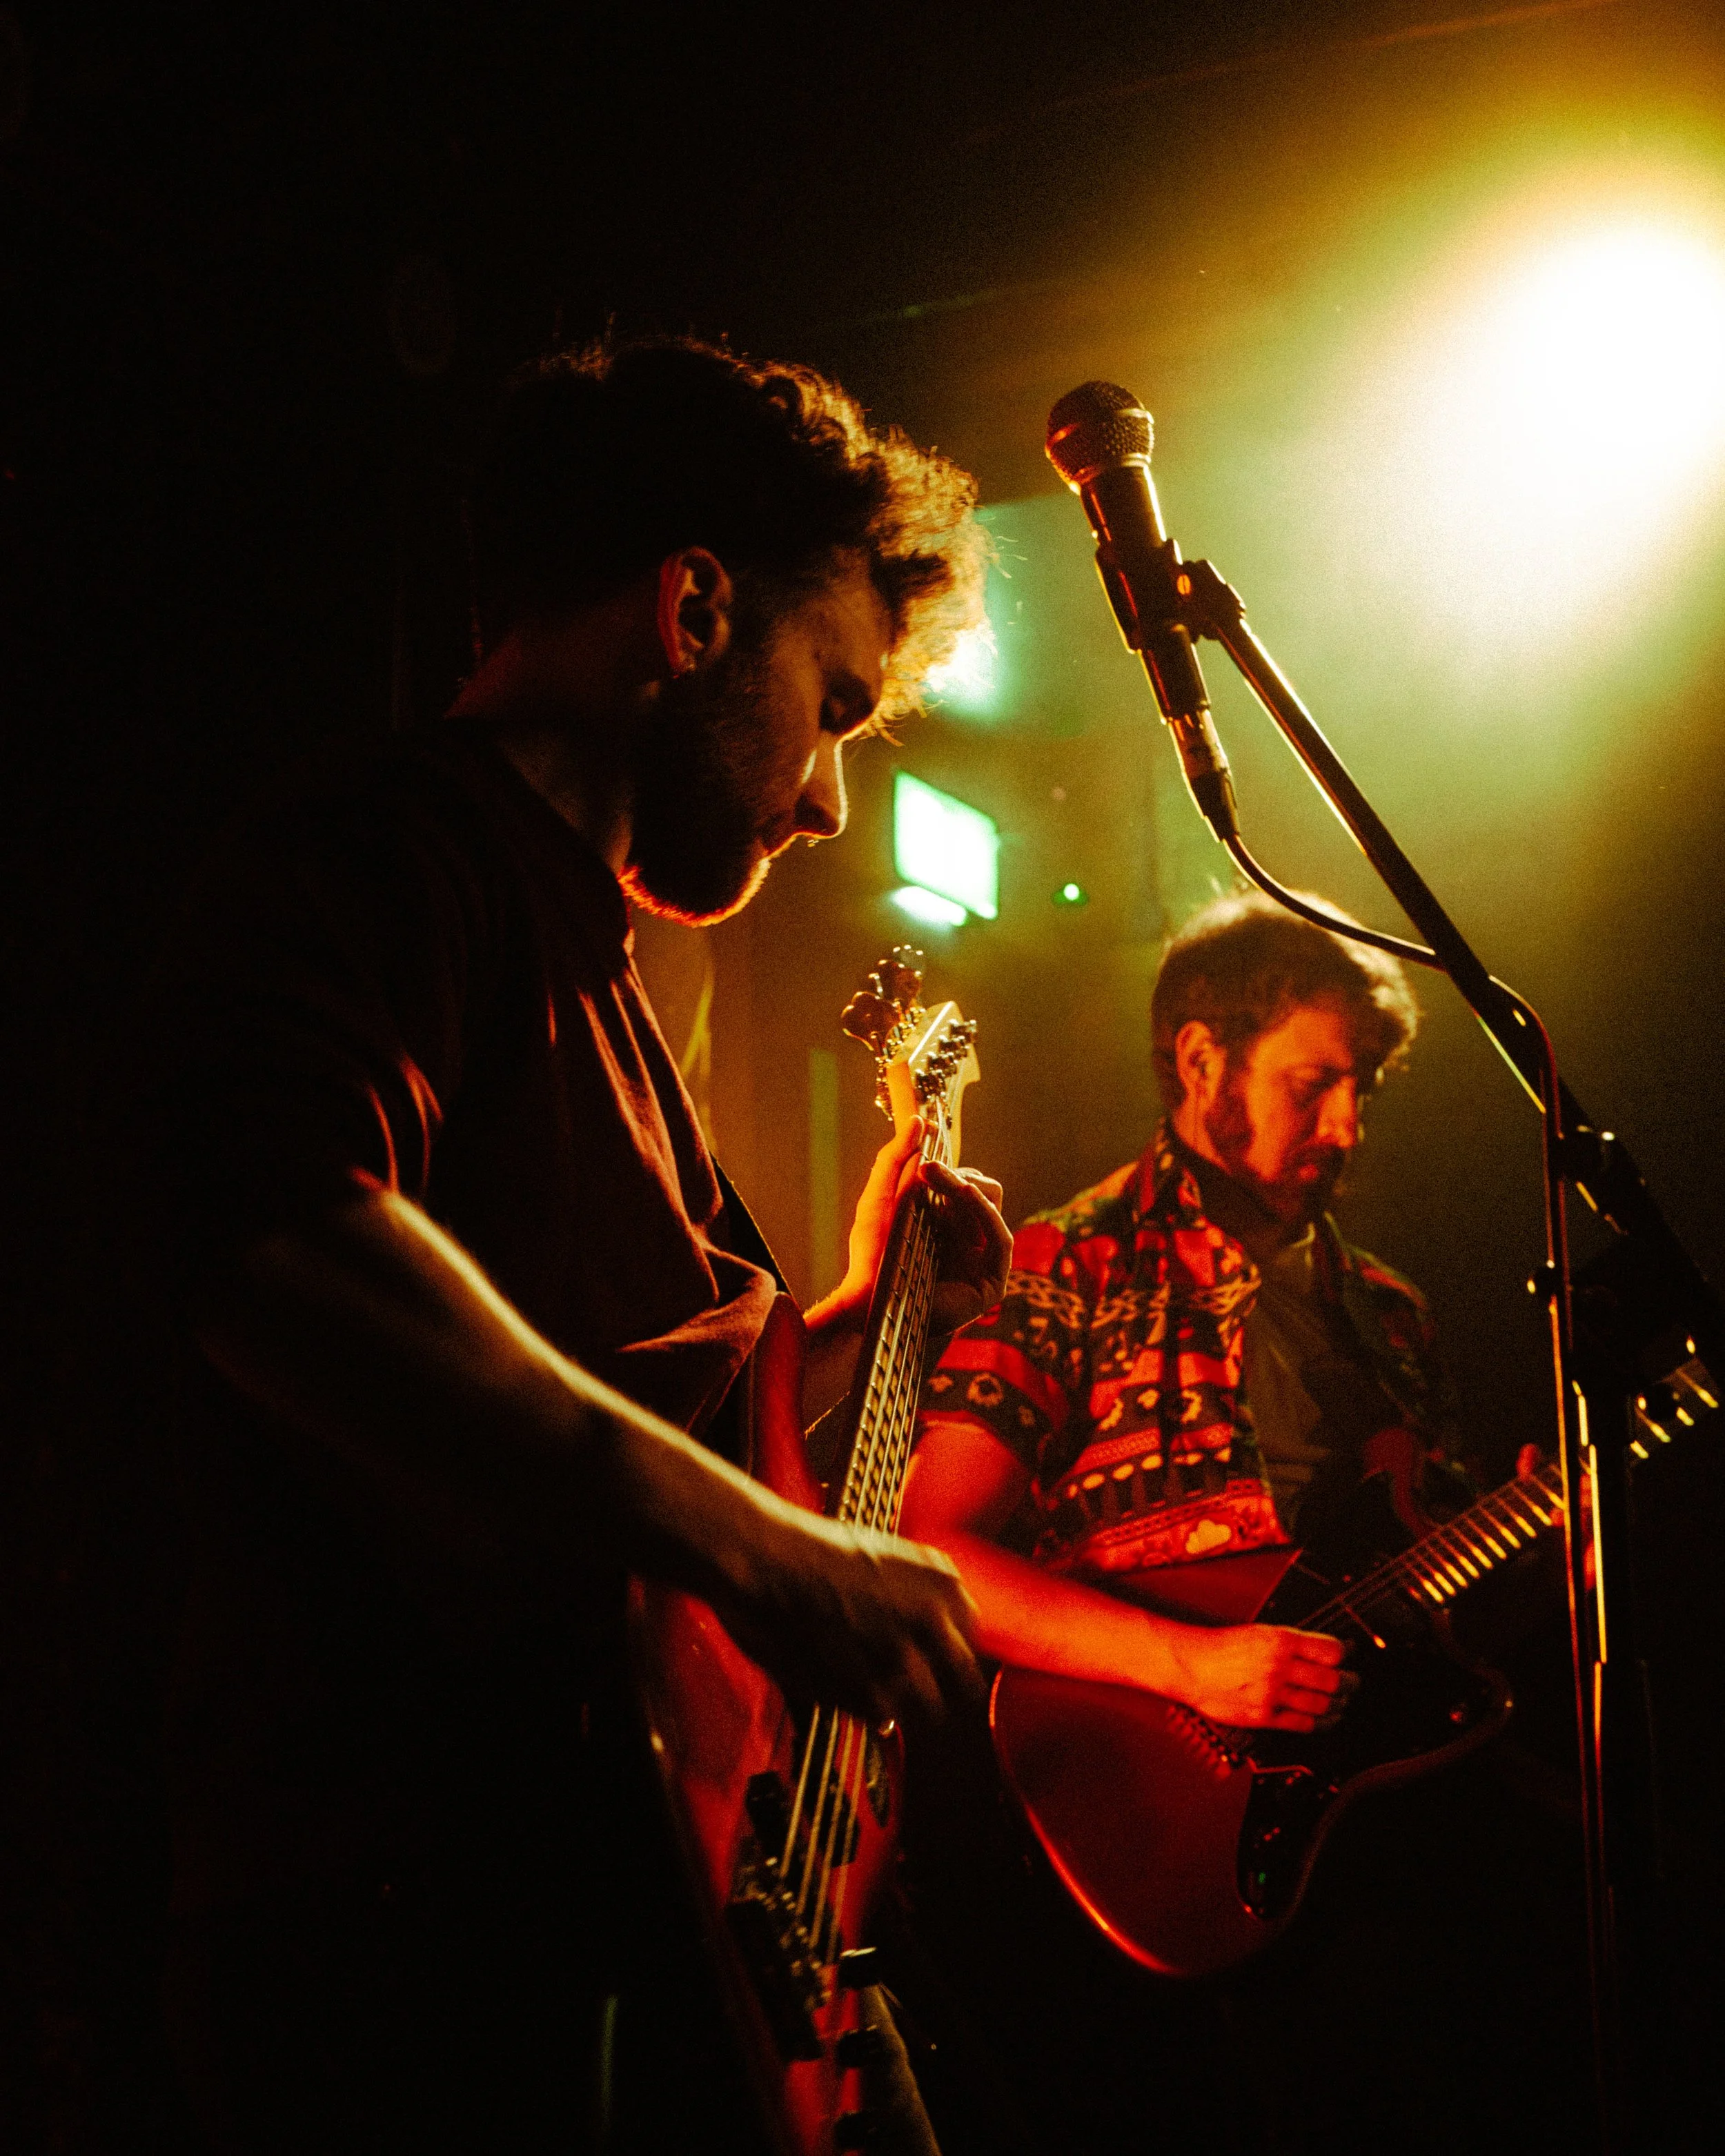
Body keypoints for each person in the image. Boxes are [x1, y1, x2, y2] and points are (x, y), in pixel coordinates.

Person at [127, 335, 1014, 2155]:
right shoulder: (392, 846)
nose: (830, 797)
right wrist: (762, 1547)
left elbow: (654, 1426)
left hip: (605, 1905)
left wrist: (859, 1318)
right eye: (831, 704)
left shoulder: (611, 982)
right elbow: (280, 1237)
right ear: (694, 605)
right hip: (413, 1929)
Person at [896, 890, 1473, 2155]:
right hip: (1139, 1834)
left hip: (1366, 1826)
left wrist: (1540, 1532)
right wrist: (1196, 1663)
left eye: (1364, 1089)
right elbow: (931, 1552)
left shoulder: (1389, 1313)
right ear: (1202, 1059)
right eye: (1315, 1083)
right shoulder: (1072, 1264)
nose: (1349, 1123)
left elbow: (1414, 1593)